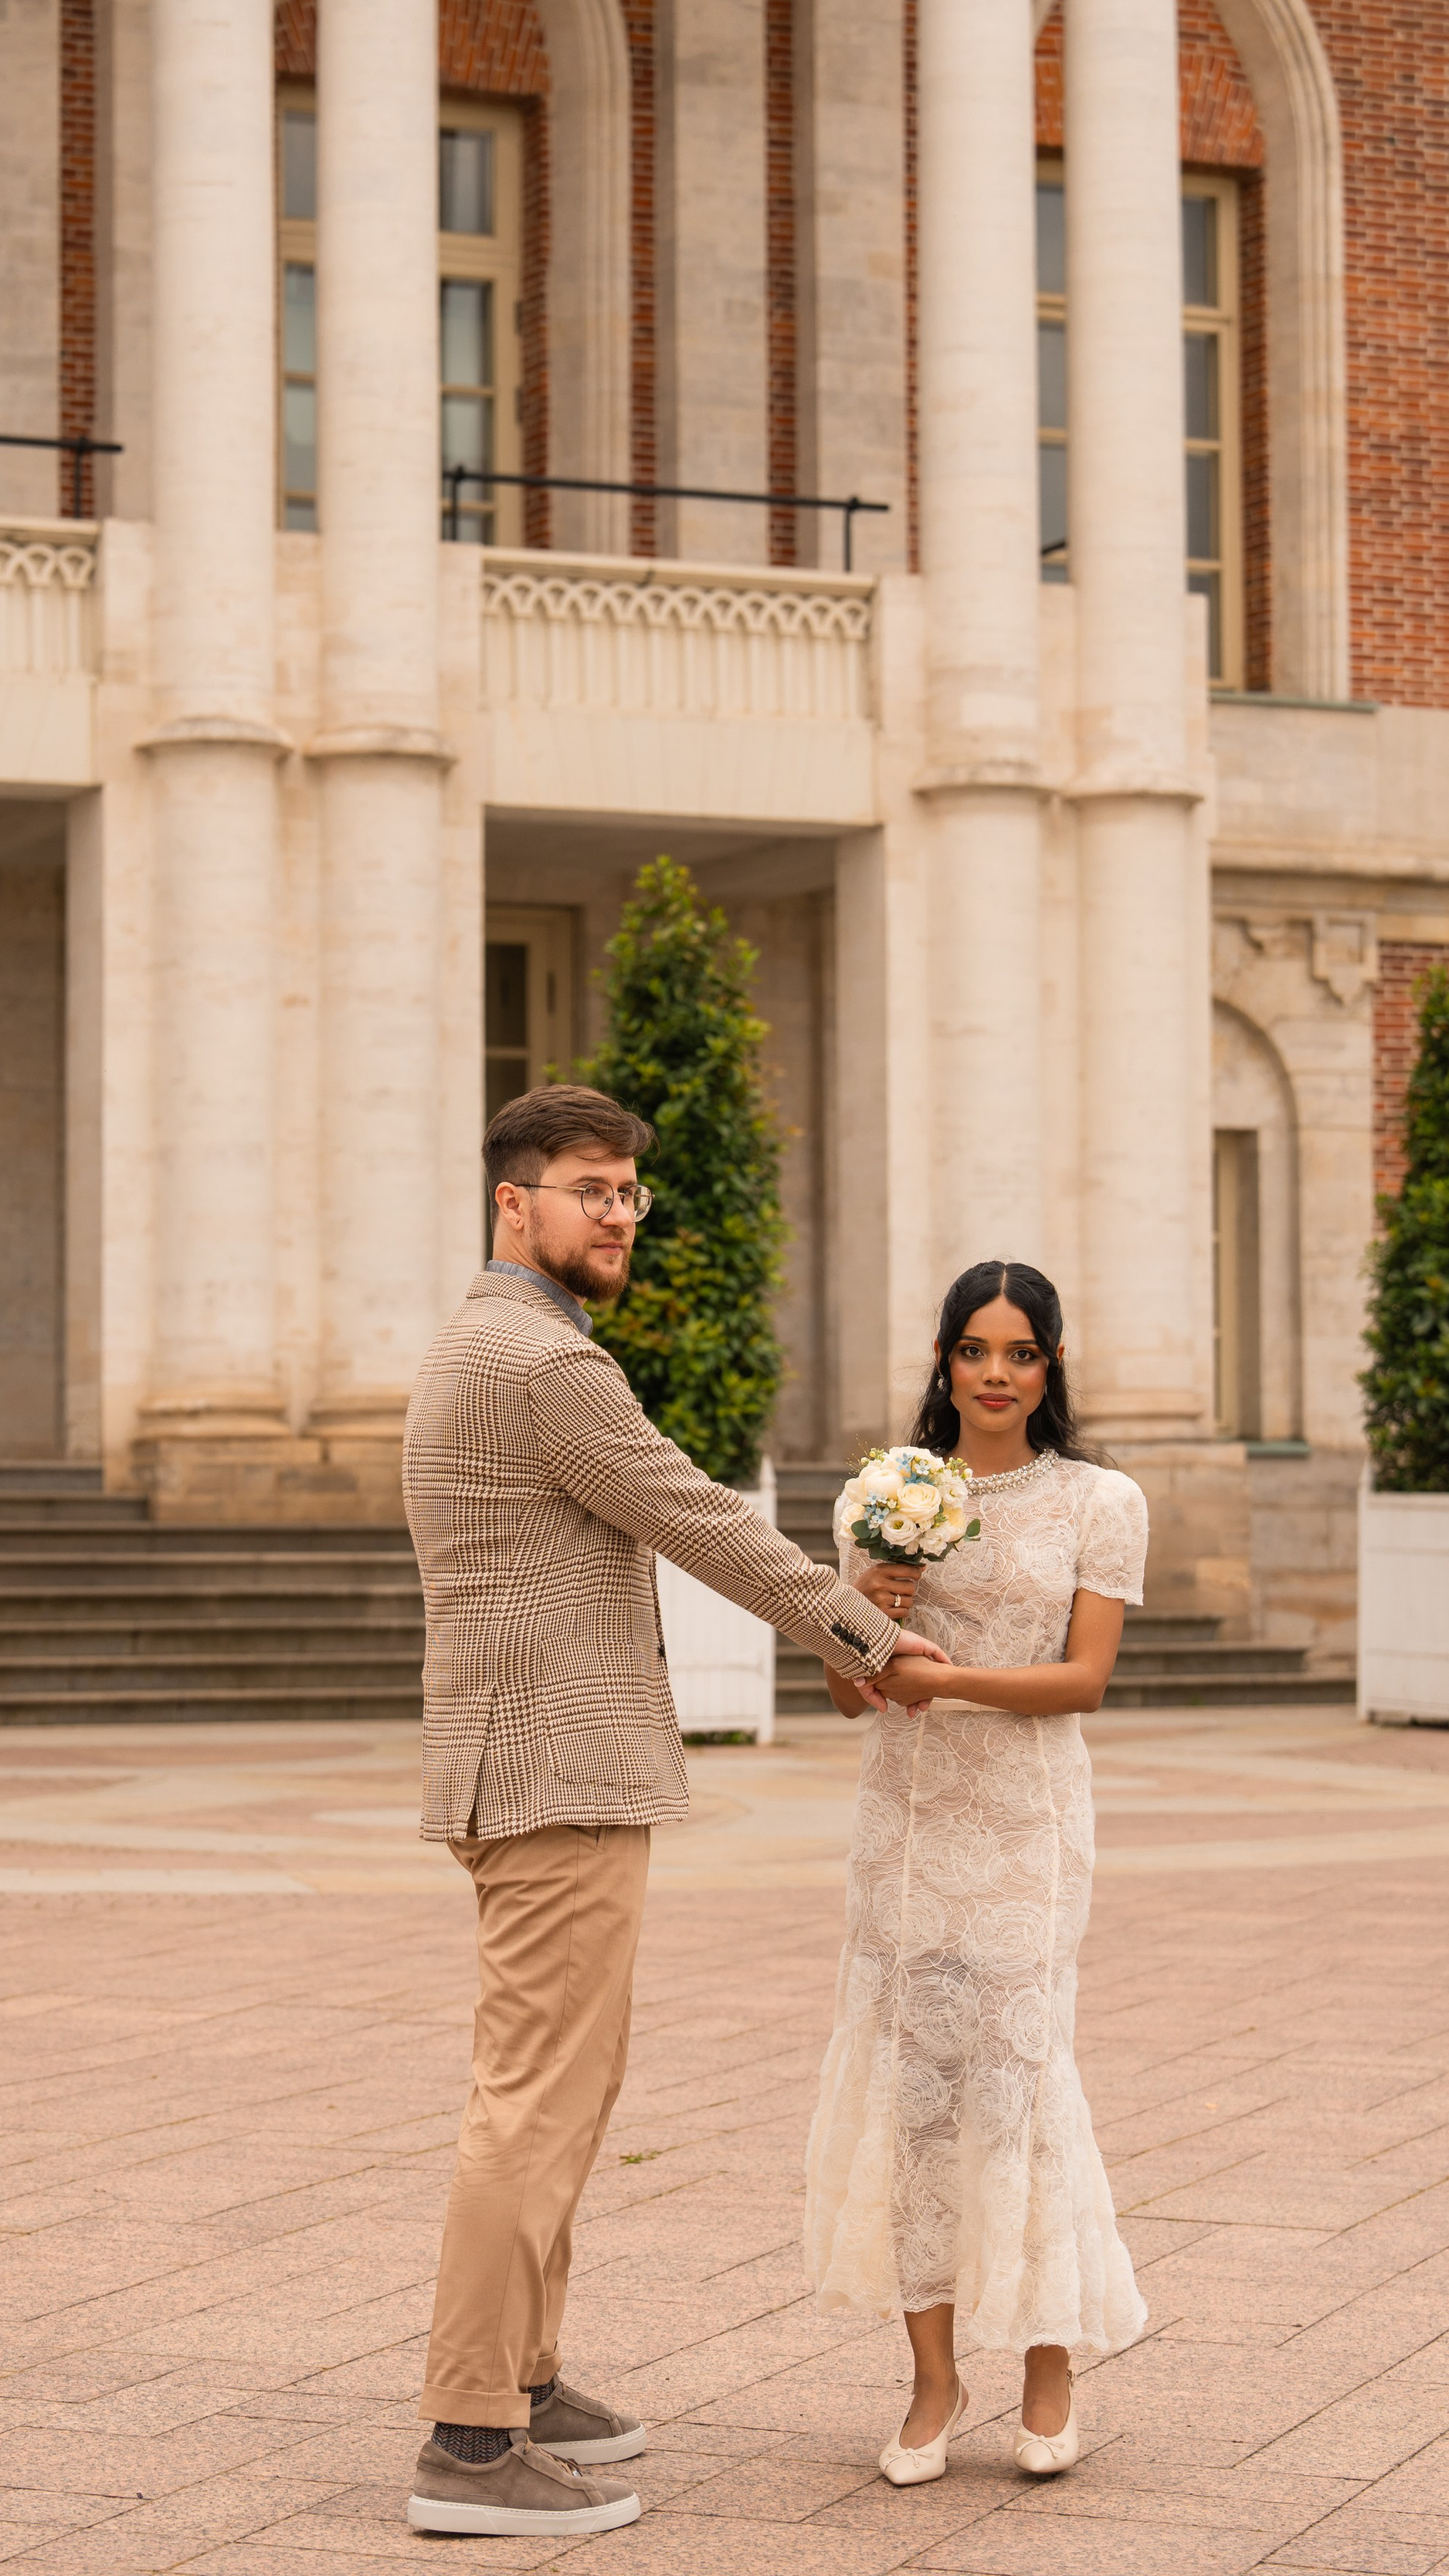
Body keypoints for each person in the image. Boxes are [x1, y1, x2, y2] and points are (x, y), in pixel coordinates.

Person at [402, 1082, 937, 2540]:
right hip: (554, 1772)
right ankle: (468, 2437)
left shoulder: (504, 1344)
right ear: (517, 1203)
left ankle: (520, 2373)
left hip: (533, 1768)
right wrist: (867, 1634)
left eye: (631, 1191)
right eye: (591, 1188)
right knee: (532, 2096)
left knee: (565, 2089)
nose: (619, 1213)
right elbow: (694, 1513)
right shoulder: (538, 1362)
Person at [805, 1258, 1149, 2488]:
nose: (996, 1374)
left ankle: (1048, 2364)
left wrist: (942, 1679)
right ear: (943, 1361)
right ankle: (933, 2378)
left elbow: (1084, 1680)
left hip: (1025, 1827)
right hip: (903, 1826)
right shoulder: (884, 1499)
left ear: (1051, 1367)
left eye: (1022, 1353)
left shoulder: (1100, 1500)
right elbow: (851, 1698)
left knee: (1020, 2079)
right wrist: (867, 1601)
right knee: (915, 2099)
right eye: (975, 1350)